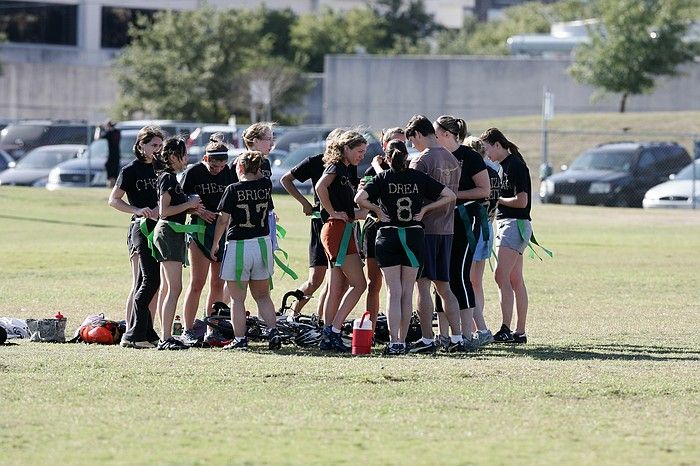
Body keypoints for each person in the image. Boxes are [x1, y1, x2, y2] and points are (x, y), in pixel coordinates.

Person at [355, 139, 455, 355]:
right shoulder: (418, 177)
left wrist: (377, 211)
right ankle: (403, 338)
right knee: (407, 292)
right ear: (406, 158)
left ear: (388, 159)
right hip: (413, 235)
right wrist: (426, 209)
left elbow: (359, 198)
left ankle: (395, 342)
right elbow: (450, 195)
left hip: (388, 235)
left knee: (393, 291)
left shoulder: (382, 177)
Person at [404, 115, 464, 353]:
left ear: (418, 134)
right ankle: (457, 338)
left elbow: (414, 198)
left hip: (425, 230)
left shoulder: (421, 160)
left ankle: (427, 340)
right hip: (447, 230)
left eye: (412, 141)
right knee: (445, 287)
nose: (412, 146)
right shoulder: (452, 158)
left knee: (422, 285)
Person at [211, 150, 281, 351]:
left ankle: (240, 339)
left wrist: (215, 242)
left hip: (239, 245)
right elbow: (260, 178)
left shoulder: (232, 189)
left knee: (237, 299)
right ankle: (273, 331)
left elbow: (223, 220)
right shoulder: (265, 185)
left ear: (240, 167)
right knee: (263, 296)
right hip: (262, 244)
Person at [433, 115, 490, 351]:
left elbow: (483, 190)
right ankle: (443, 334)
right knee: (440, 277)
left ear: (447, 134)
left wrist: (454, 194)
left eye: (436, 135)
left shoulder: (470, 157)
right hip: (439, 222)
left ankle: (467, 334)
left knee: (458, 275)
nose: (433, 139)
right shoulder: (434, 157)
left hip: (465, 220)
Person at [279, 128, 345, 321]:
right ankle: (292, 313)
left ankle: (324, 320)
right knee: (316, 278)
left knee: (337, 278)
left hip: (342, 226)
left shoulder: (347, 165)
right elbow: (286, 179)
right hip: (320, 223)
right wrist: (305, 202)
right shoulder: (316, 161)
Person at [108, 125, 164, 348]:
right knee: (140, 283)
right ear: (141, 145)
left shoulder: (162, 168)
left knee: (154, 284)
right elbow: (114, 200)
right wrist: (137, 210)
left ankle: (147, 331)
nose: (158, 150)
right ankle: (131, 331)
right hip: (140, 229)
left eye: (160, 145)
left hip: (162, 229)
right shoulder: (131, 170)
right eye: (153, 145)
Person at [315, 130, 368, 352]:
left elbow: (354, 209)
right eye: (359, 151)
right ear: (346, 148)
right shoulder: (336, 166)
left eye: (364, 152)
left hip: (342, 229)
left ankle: (328, 334)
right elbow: (320, 187)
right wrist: (332, 212)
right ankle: (335, 330)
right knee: (360, 284)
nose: (361, 156)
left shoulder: (349, 169)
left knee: (338, 286)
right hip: (337, 230)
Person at [180, 133, 234, 345]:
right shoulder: (194, 173)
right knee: (197, 283)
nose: (218, 170)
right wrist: (199, 211)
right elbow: (180, 200)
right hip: (200, 230)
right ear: (205, 159)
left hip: (222, 231)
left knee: (218, 284)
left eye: (222, 166)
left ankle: (213, 328)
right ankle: (188, 328)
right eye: (214, 166)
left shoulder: (229, 173)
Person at [480, 128, 532, 344]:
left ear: (497, 145)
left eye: (487, 149)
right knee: (514, 279)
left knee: (501, 276)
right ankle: (519, 332)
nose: (487, 154)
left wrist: (498, 199)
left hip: (514, 224)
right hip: (507, 224)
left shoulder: (515, 166)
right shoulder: (502, 167)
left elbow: (522, 201)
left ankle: (506, 328)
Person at [152, 137, 203, 350]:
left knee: (167, 289)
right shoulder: (168, 178)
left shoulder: (172, 177)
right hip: (168, 232)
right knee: (175, 288)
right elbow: (164, 212)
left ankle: (165, 335)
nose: (187, 159)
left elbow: (175, 207)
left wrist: (192, 208)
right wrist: (190, 204)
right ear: (173, 157)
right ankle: (166, 338)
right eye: (183, 155)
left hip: (172, 232)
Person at [358, 127, 406, 332]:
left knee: (398, 286)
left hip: (400, 231)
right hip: (375, 229)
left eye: (402, 143)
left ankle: (397, 330)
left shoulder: (409, 171)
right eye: (394, 142)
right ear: (384, 145)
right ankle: (372, 328)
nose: (398, 147)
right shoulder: (371, 171)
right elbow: (362, 201)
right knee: (374, 283)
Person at [464, 136, 500, 346]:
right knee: (477, 283)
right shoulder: (494, 173)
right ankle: (479, 325)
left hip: (473, 229)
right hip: (488, 226)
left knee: (467, 282)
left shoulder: (474, 174)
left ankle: (479, 327)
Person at [229, 122, 278, 250]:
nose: (272, 144)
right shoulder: (239, 163)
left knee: (266, 260)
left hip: (264, 218)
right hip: (244, 224)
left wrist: (269, 209)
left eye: (273, 139)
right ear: (255, 141)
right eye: (268, 139)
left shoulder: (265, 162)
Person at [102, 120, 121, 188]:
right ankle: (113, 186)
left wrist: (98, 129)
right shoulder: (118, 132)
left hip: (111, 155)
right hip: (117, 155)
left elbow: (97, 137)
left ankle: (110, 186)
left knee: (110, 171)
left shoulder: (109, 133)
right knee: (115, 171)